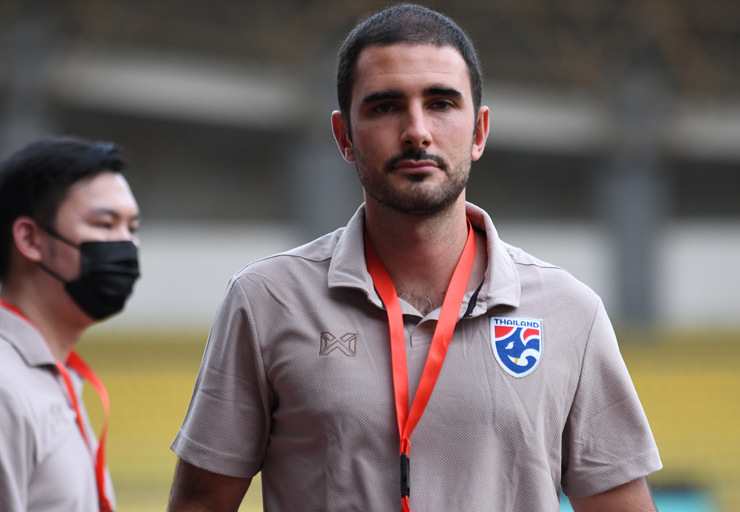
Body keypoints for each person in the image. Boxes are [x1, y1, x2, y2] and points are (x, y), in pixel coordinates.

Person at [168, 4, 662, 511]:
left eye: (441, 103)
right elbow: (200, 504)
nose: (417, 131)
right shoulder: (267, 301)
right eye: (385, 107)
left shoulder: (570, 312)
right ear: (344, 137)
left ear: (479, 132)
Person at [0, 137, 140, 512]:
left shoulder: (47, 375)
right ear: (30, 239)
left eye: (133, 228)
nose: (127, 245)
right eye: (105, 224)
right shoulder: (5, 388)